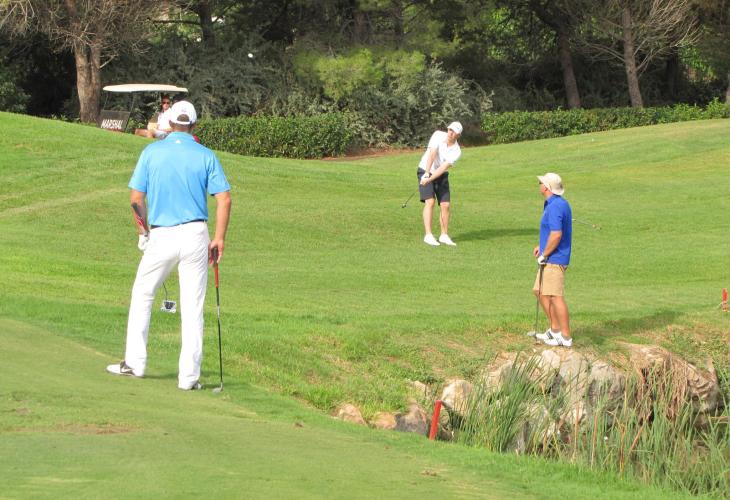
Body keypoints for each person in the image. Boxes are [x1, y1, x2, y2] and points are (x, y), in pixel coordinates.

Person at [107, 100, 232, 390]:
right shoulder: (206, 155)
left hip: (162, 235)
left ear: (170, 123)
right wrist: (219, 238)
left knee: (143, 293)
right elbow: (224, 199)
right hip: (196, 235)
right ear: (194, 125)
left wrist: (143, 233)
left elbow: (136, 199)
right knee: (193, 306)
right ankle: (188, 378)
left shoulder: (152, 151)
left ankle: (135, 363)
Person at [532, 172, 573, 347]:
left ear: (547, 187)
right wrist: (541, 246)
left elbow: (556, 235)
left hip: (555, 258)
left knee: (555, 296)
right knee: (539, 291)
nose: (539, 185)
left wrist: (545, 254)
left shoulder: (556, 206)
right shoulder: (552, 203)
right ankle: (555, 330)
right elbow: (550, 231)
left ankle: (565, 337)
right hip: (550, 254)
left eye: (541, 183)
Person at [418, 121, 463, 246]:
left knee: (445, 205)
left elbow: (443, 168)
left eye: (454, 131)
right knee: (430, 201)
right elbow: (432, 154)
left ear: (458, 135)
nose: (450, 133)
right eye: (450, 129)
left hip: (440, 174)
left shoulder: (457, 151)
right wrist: (426, 174)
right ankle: (428, 235)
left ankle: (444, 235)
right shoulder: (438, 135)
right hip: (424, 169)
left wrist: (429, 179)